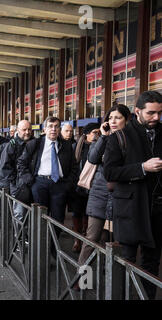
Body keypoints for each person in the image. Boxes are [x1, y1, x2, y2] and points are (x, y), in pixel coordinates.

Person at [103, 91, 162, 299]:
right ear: (137, 111)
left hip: (156, 211)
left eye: (159, 113)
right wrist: (142, 168)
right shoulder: (120, 136)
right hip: (130, 210)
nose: (156, 118)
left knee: (152, 263)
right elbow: (109, 172)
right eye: (151, 113)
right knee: (125, 261)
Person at [77, 105, 131, 270]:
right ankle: (83, 279)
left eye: (118, 117)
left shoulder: (131, 140)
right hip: (99, 194)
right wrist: (103, 136)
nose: (113, 121)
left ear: (127, 120)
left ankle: (111, 281)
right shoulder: (102, 138)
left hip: (121, 195)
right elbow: (92, 158)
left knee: (115, 241)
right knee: (91, 238)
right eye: (110, 118)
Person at [17, 116, 78, 246]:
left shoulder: (67, 145)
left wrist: (67, 184)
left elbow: (74, 167)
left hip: (59, 185)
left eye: (56, 127)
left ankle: (52, 248)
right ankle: (39, 248)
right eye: (50, 126)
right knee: (39, 219)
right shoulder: (35, 144)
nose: (53, 129)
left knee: (57, 220)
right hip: (40, 184)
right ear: (44, 129)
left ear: (59, 129)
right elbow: (21, 163)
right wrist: (30, 181)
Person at [0, 120, 33, 223]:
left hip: (25, 182)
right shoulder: (10, 144)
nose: (27, 132)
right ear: (18, 130)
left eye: (29, 129)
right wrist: (15, 181)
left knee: (22, 210)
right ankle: (13, 234)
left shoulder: (33, 142)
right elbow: (0, 163)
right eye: (24, 130)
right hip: (9, 182)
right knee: (14, 210)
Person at [68, 122, 100, 252]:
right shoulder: (76, 147)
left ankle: (86, 239)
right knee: (77, 213)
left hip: (92, 187)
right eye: (94, 132)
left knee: (88, 214)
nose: (97, 135)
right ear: (86, 134)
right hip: (77, 186)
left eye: (99, 132)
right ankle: (77, 239)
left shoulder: (99, 146)